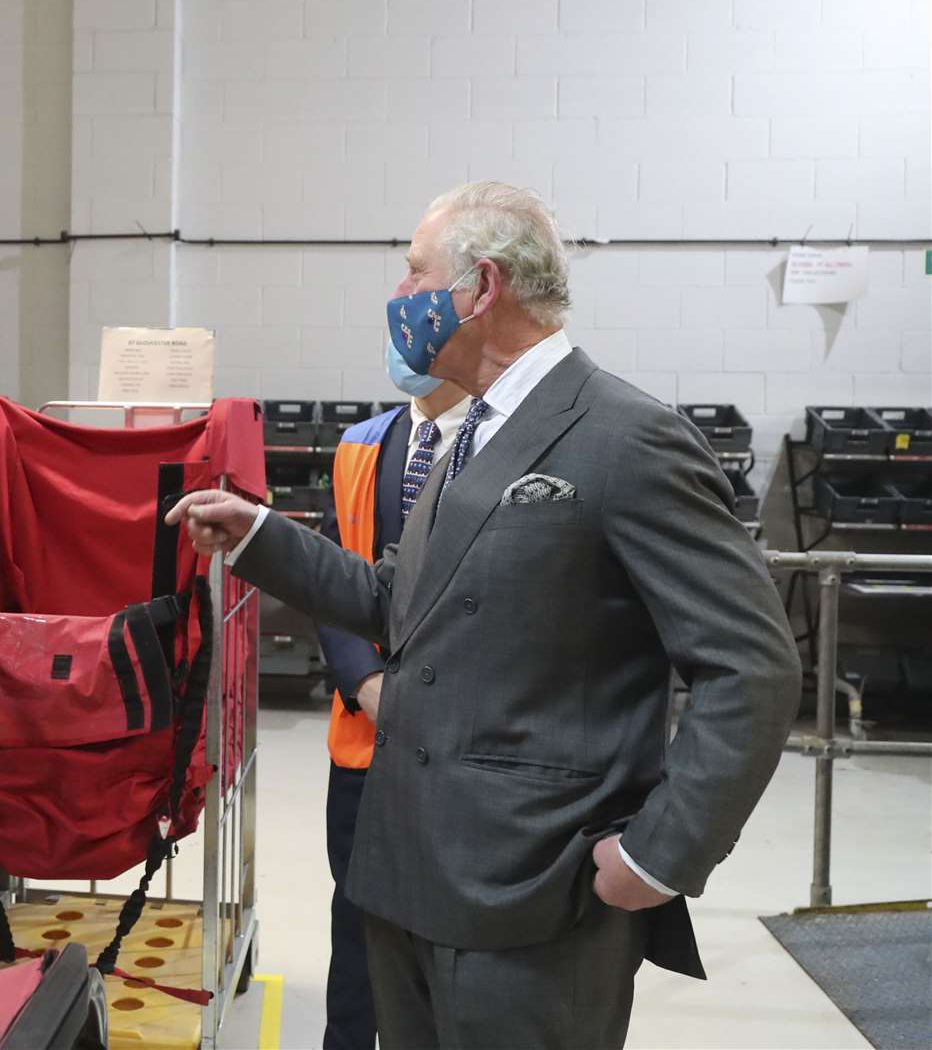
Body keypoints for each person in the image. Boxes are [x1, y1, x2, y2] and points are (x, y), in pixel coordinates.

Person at [170, 181, 800, 1049]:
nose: (398, 299)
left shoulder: (624, 437)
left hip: (532, 896)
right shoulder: (471, 432)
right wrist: (261, 538)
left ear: (481, 287)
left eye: (413, 273)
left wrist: (660, 855)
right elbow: (399, 604)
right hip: (408, 880)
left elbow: (753, 666)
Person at [316, 372, 469, 1050]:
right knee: (355, 926)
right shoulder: (362, 445)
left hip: (466, 743)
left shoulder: (500, 442)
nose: (404, 300)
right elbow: (329, 578)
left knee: (449, 937)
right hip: (364, 740)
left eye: (420, 275)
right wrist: (366, 684)